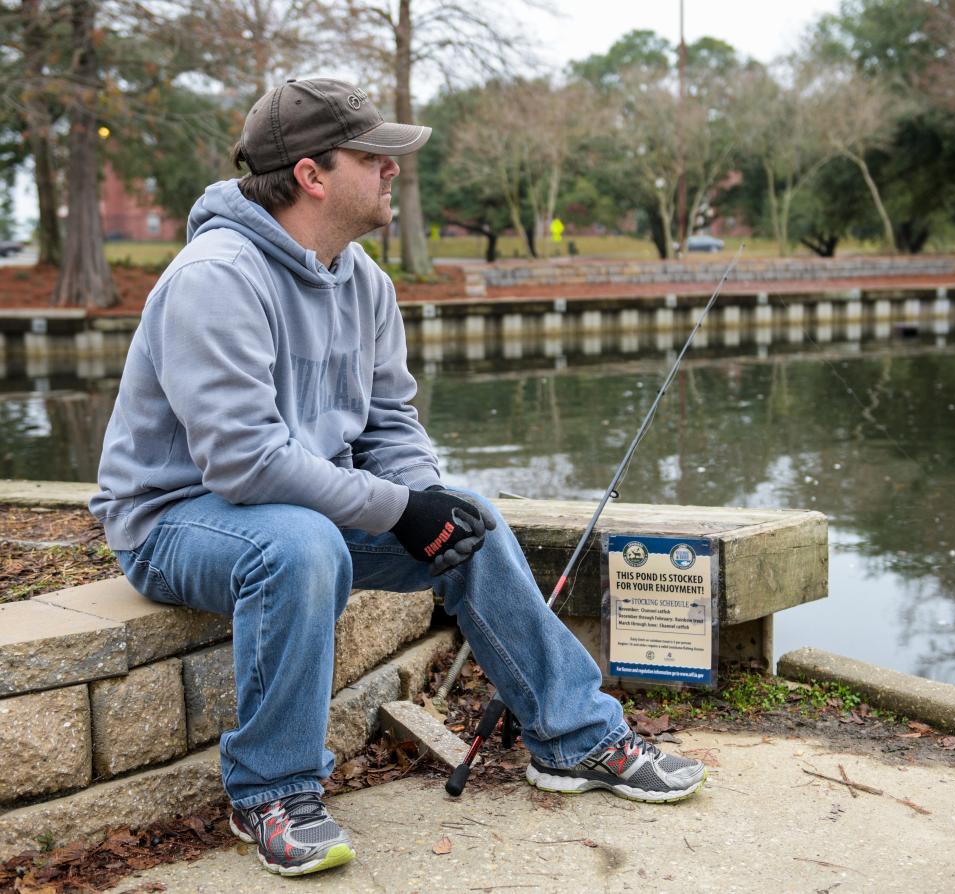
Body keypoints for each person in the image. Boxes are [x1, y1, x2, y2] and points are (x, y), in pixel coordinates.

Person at [90, 78, 705, 879]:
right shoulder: (217, 277)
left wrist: (429, 501)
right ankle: (271, 791)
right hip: (177, 518)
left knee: (471, 520)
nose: (393, 172)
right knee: (301, 547)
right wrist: (394, 509)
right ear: (312, 175)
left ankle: (575, 739)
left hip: (294, 505)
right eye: (374, 158)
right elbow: (242, 464)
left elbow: (389, 425)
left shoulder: (364, 281)